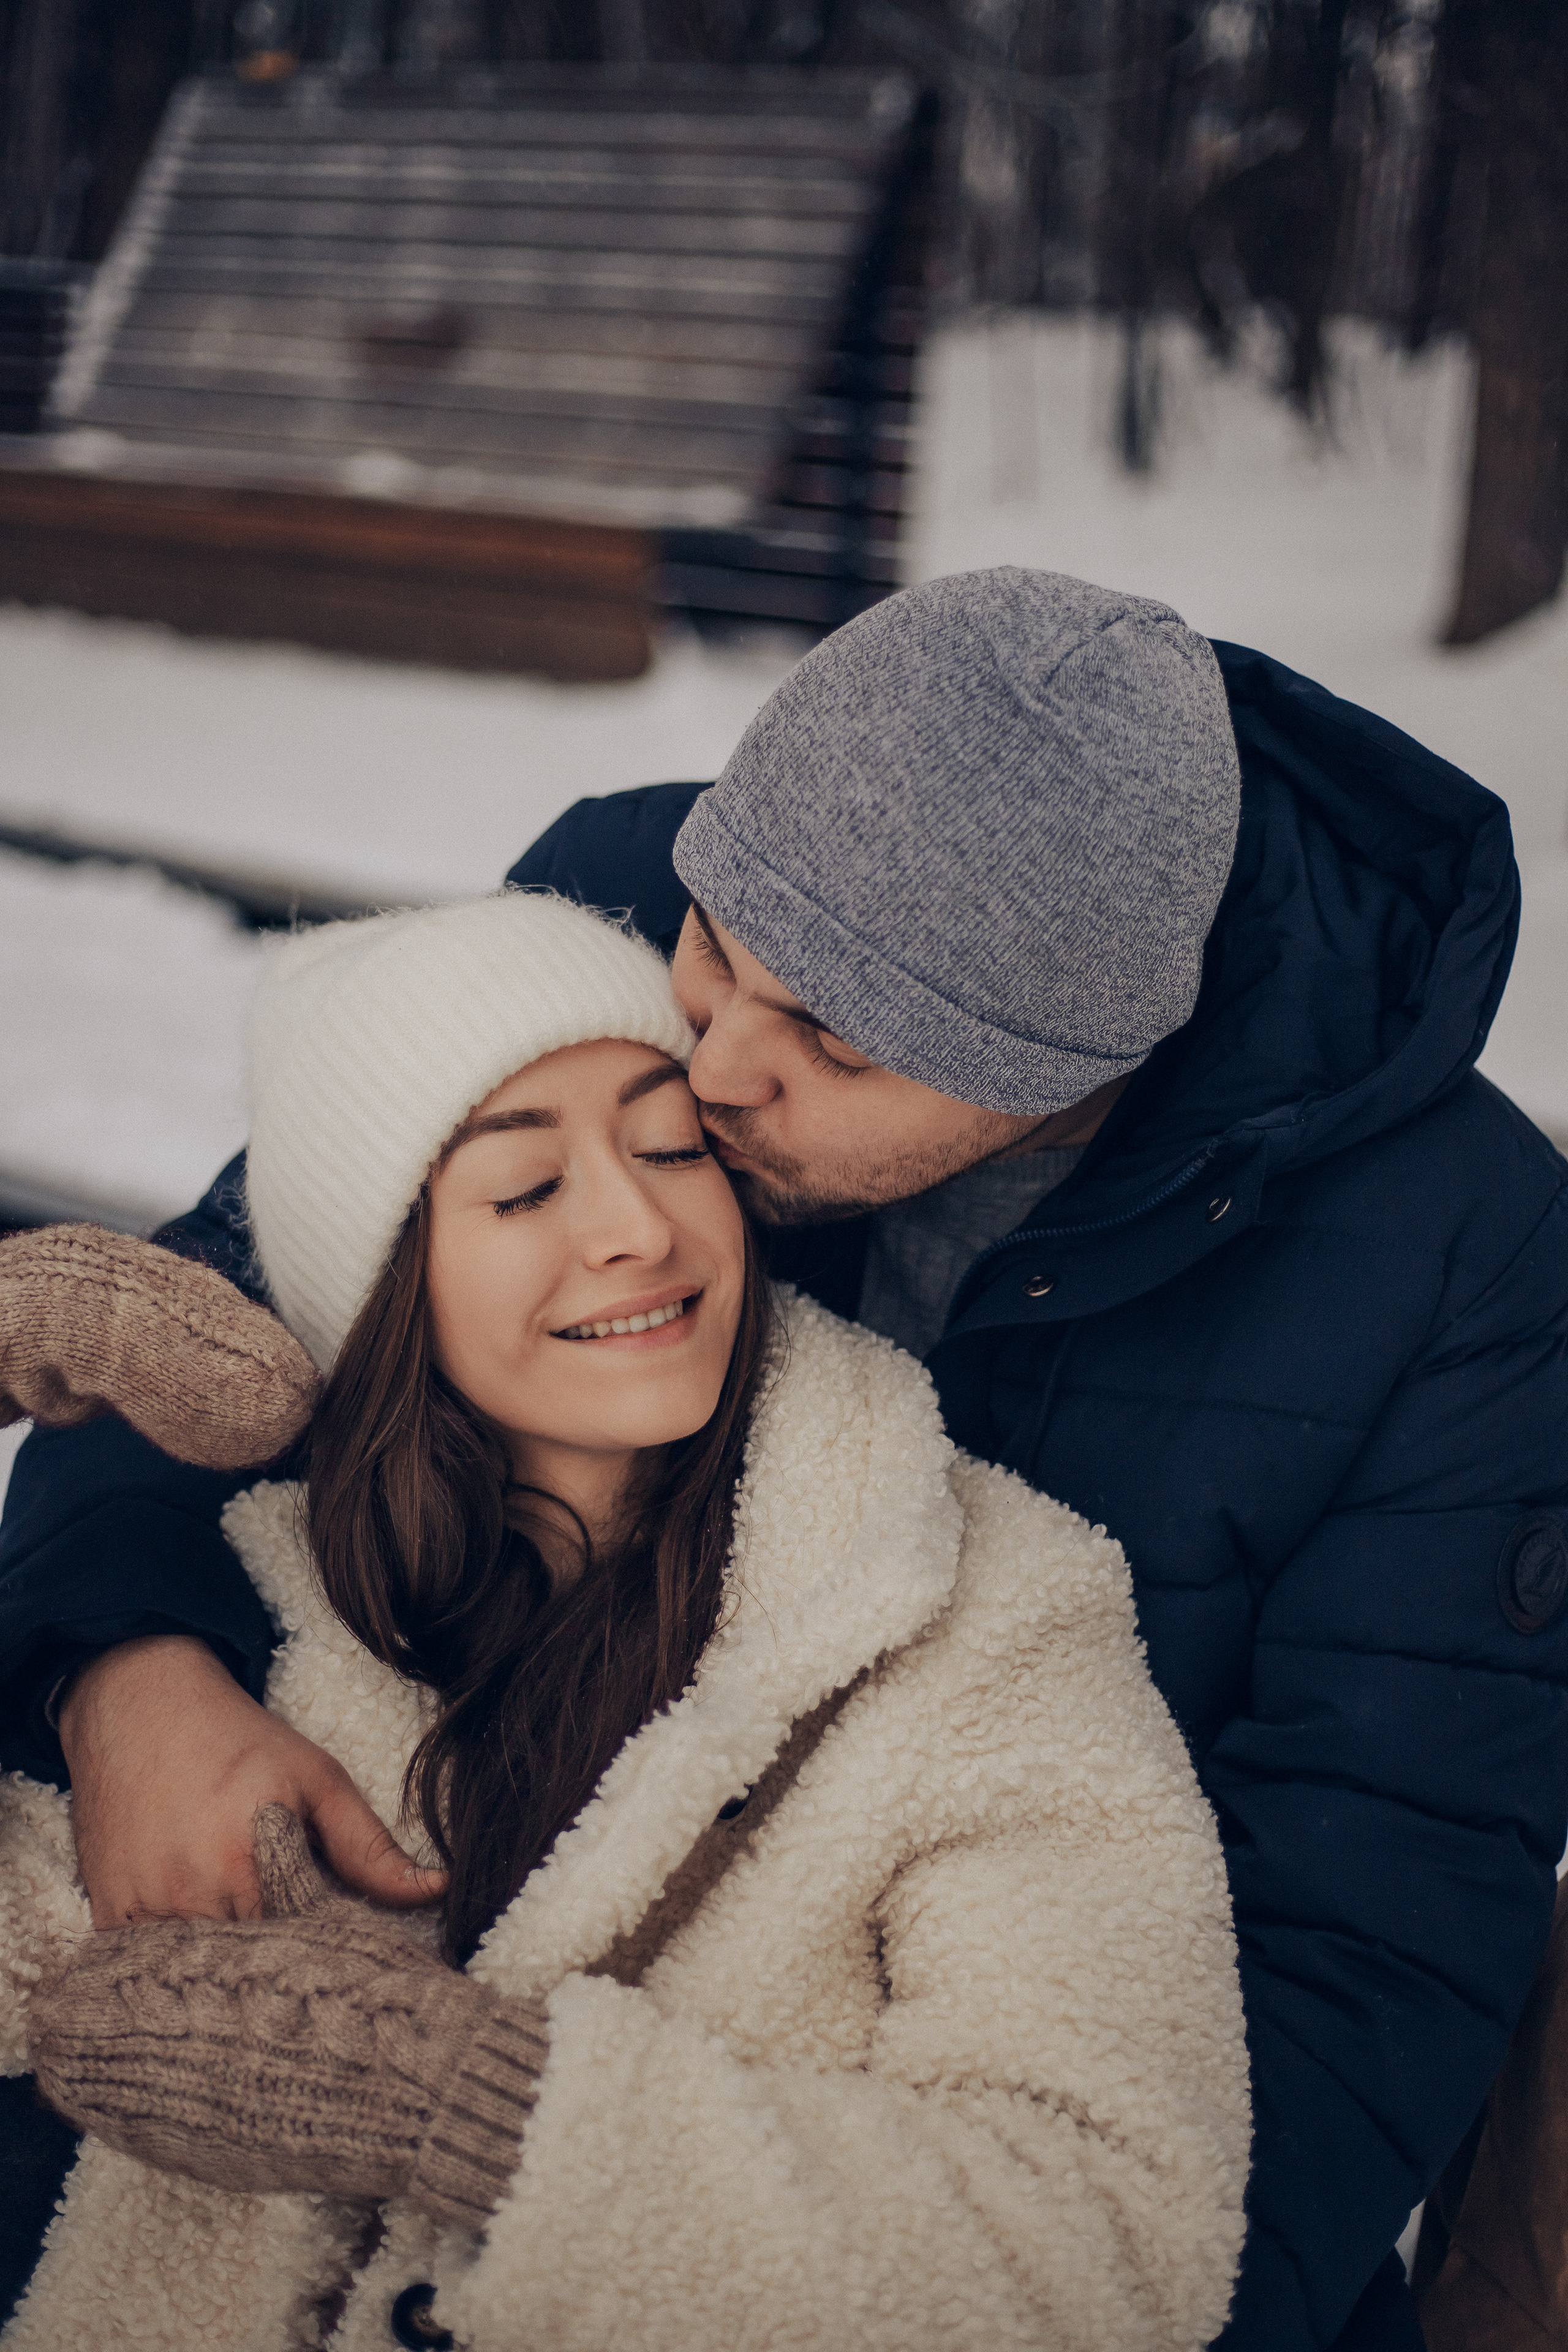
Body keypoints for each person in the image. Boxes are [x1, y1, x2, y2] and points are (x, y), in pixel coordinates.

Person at [1, 565, 1565, 2350]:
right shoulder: (642, 879)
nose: (717, 1067)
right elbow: (264, 1285)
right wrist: (121, 1670)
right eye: (716, 951)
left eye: (830, 1038)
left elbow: (1365, 1934)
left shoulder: (1449, 1263)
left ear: (1076, 1065)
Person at [0, 891, 1249, 2352]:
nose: (637, 1227)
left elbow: (1110, 2249)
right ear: (383, 1284)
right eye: (527, 1189)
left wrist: (481, 2110)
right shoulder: (251, 1614)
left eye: (668, 1149)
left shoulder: (981, 1618)